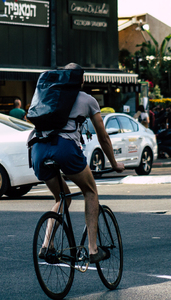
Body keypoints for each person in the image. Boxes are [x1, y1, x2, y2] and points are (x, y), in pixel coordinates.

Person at [31, 63, 125, 263]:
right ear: (81, 80)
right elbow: (103, 137)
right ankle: (92, 249)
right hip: (65, 148)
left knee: (62, 197)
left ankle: (47, 245)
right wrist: (114, 164)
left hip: (38, 149)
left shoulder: (47, 93)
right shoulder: (88, 100)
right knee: (90, 191)